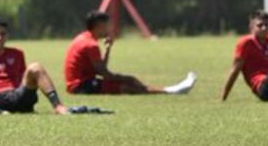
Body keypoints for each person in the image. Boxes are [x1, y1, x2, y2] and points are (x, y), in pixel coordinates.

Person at [64, 10, 197, 96]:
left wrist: (108, 49)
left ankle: (171, 90)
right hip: (80, 87)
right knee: (127, 85)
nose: (109, 28)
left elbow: (100, 69)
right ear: (99, 26)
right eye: (107, 26)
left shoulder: (85, 37)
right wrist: (127, 78)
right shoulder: (90, 44)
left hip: (82, 83)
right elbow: (104, 73)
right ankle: (172, 91)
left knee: (127, 83)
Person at [0, 18, 69, 114]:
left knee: (35, 67)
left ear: (7, 36)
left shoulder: (17, 54)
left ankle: (58, 107)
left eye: (3, 34)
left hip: (16, 94)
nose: (0, 38)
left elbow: (24, 80)